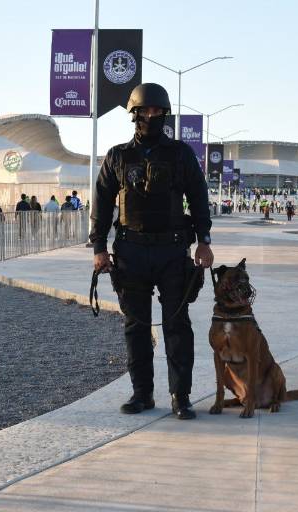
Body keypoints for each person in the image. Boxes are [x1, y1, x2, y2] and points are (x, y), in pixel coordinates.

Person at [90, 82, 213, 420]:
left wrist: (204, 240)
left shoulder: (181, 154)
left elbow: (199, 197)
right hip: (130, 251)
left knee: (177, 326)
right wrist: (99, 247)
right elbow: (101, 202)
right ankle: (141, 394)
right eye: (144, 111)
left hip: (173, 251)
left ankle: (180, 396)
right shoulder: (118, 156)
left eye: (156, 111)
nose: (150, 115)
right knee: (136, 326)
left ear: (164, 114)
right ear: (134, 114)